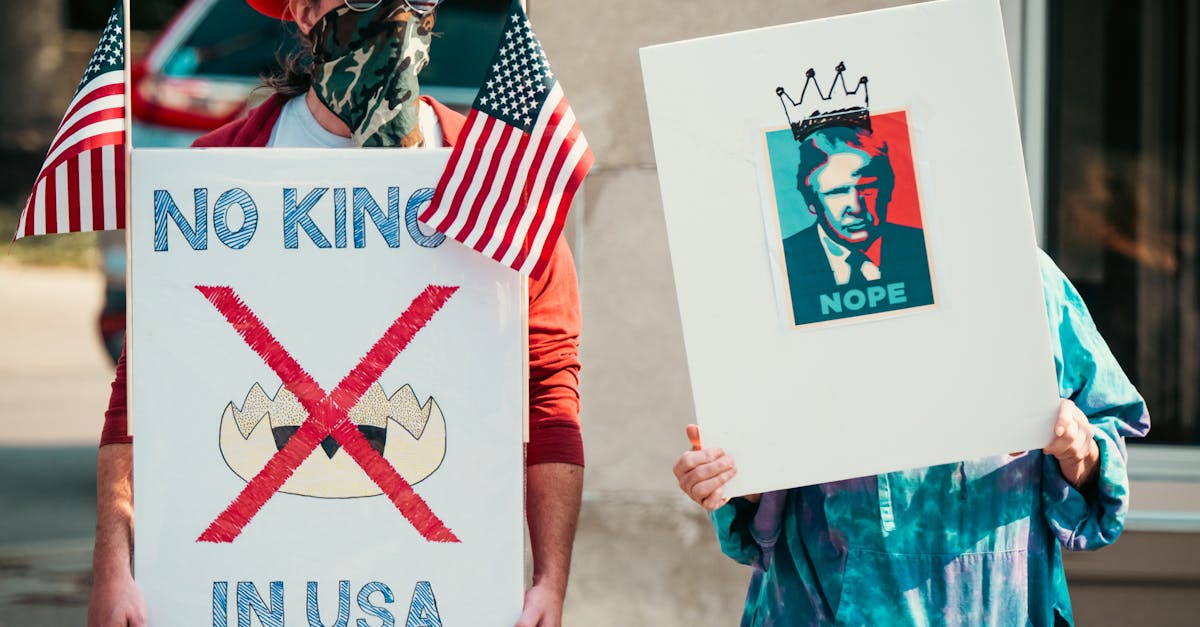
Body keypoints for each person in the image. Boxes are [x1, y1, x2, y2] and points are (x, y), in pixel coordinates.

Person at [87, 2, 584, 626]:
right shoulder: (219, 173)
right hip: (250, 589)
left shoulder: (496, 184)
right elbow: (142, 397)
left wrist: (549, 580)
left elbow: (549, 391)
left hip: (439, 588)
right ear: (299, 11)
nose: (385, 8)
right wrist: (113, 563)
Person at [673, 250, 1149, 625]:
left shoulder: (1025, 280)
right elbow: (758, 483)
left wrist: (1080, 447)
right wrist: (734, 478)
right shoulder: (793, 286)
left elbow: (1105, 434)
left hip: (998, 602)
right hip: (823, 605)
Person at [781, 125, 934, 324]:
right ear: (811, 203)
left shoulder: (922, 248)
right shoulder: (786, 260)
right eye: (837, 192)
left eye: (868, 188)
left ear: (887, 191)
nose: (855, 207)